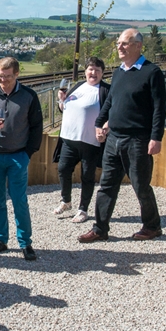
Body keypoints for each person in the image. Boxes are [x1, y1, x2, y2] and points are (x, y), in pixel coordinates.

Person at [79, 29, 166, 244]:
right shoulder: (119, 72)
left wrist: (156, 138)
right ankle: (100, 229)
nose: (120, 47)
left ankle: (152, 226)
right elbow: (111, 101)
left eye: (125, 43)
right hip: (113, 139)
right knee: (106, 186)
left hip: (138, 140)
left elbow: (159, 108)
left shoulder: (152, 72)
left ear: (138, 46)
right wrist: (99, 123)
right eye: (118, 43)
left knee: (141, 186)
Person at [0, 57, 44, 261]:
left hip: (17, 156)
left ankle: (25, 243)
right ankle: (1, 240)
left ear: (17, 74)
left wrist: (27, 154)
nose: (3, 80)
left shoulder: (29, 96)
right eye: (0, 76)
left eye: (7, 76)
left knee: (19, 201)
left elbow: (36, 127)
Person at [53, 57, 110, 223]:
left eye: (97, 70)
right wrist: (61, 100)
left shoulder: (106, 90)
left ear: (102, 73)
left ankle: (83, 209)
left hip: (90, 142)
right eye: (90, 69)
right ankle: (66, 201)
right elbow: (65, 108)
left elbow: (113, 114)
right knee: (63, 169)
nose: (93, 73)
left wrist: (105, 130)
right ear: (85, 71)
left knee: (87, 176)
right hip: (69, 139)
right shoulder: (77, 86)